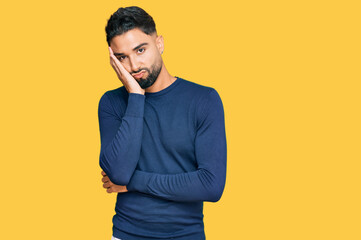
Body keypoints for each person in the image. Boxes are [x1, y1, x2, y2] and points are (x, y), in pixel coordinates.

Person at [98, 6, 227, 240]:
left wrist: (133, 181)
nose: (134, 66)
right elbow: (117, 173)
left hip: (186, 235)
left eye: (140, 50)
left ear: (159, 44)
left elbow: (211, 185)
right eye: (122, 58)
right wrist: (136, 97)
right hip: (127, 234)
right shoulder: (112, 103)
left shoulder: (204, 99)